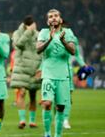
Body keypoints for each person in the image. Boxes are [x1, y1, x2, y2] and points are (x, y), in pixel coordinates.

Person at [36, 9, 75, 137]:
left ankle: (58, 135)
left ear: (61, 20)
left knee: (60, 108)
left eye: (56, 16)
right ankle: (47, 134)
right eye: (51, 17)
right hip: (48, 75)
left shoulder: (68, 32)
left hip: (63, 76)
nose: (53, 18)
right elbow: (38, 50)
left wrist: (63, 41)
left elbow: (73, 51)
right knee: (47, 104)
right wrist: (50, 39)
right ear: (48, 21)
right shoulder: (43, 32)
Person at [10, 15, 42, 129]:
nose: (34, 26)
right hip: (22, 68)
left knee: (33, 96)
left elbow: (42, 51)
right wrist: (28, 32)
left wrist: (41, 67)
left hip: (35, 68)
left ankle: (32, 121)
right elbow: (18, 45)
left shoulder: (39, 35)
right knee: (22, 92)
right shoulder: (17, 33)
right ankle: (22, 120)